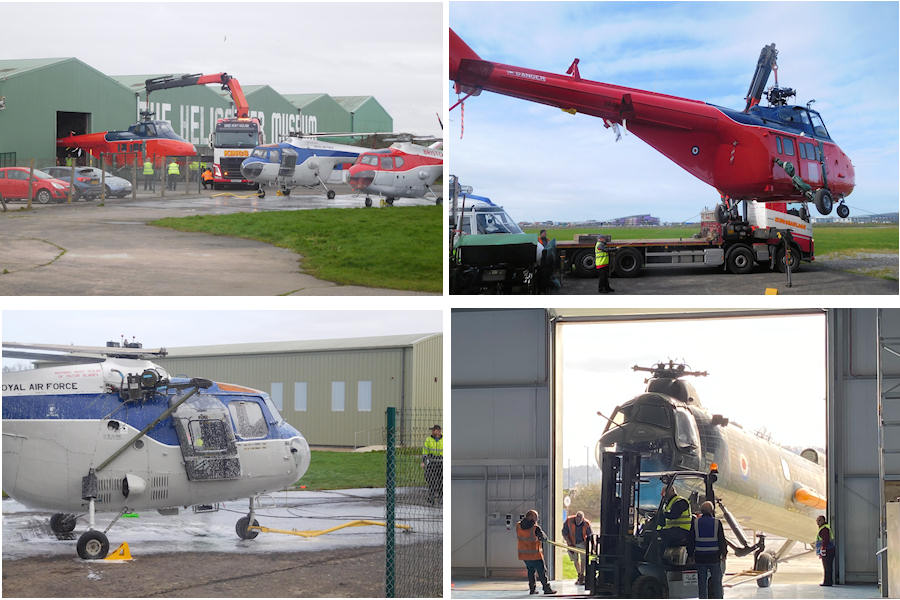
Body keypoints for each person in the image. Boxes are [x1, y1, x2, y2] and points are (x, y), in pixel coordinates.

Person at [688, 501, 727, 599]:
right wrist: (724, 553)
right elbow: (722, 540)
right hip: (714, 557)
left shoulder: (695, 523)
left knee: (702, 583)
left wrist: (690, 555)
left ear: (701, 510)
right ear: (712, 510)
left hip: (700, 557)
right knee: (717, 583)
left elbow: (691, 540)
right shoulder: (717, 523)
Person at [516, 510, 556, 595]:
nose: (537, 518)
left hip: (524, 555)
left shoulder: (518, 526)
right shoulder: (535, 528)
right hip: (535, 555)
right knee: (542, 572)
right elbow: (544, 538)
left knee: (530, 571)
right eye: (535, 517)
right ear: (530, 517)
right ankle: (546, 588)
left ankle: (532, 589)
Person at [656, 485, 692, 550]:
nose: (662, 495)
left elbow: (674, 515)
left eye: (664, 492)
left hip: (682, 530)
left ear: (671, 491)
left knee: (660, 535)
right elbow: (664, 520)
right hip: (673, 529)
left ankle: (659, 557)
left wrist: (662, 514)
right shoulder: (668, 504)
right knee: (653, 534)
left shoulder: (680, 502)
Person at [561, 510, 592, 585]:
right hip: (572, 542)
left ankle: (582, 575)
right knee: (575, 559)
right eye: (577, 519)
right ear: (575, 517)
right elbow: (564, 532)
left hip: (582, 543)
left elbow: (590, 536)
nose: (578, 521)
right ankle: (579, 574)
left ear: (583, 519)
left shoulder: (586, 523)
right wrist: (569, 542)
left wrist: (592, 547)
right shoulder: (569, 520)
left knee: (583, 559)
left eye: (580, 519)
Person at [421, 425, 443, 504]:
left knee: (441, 481)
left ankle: (441, 497)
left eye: (434, 430)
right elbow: (425, 452)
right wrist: (423, 461)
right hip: (432, 462)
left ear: (438, 431)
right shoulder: (428, 440)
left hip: (442, 462)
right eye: (432, 430)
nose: (432, 432)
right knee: (431, 480)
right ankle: (431, 497)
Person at [815, 515, 835, 586]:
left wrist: (823, 550)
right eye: (817, 520)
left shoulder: (824, 529)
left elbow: (825, 540)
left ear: (823, 520)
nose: (817, 522)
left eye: (819, 520)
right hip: (827, 550)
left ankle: (828, 582)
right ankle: (827, 581)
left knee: (827, 567)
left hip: (827, 551)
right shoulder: (824, 528)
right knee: (827, 567)